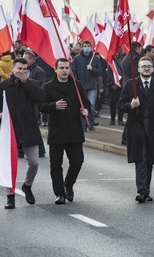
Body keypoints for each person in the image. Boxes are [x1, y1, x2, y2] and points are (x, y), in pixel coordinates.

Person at [0, 57, 46, 209]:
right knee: (10, 164)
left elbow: (40, 98)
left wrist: (27, 83)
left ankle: (27, 185)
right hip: (11, 130)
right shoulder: (2, 86)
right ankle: (10, 196)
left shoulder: (31, 83)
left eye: (24, 69)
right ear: (13, 69)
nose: (21, 71)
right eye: (19, 69)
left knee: (34, 162)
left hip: (28, 128)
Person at [39, 58, 90, 204]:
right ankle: (59, 193)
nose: (64, 71)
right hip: (57, 131)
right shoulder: (48, 86)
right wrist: (53, 105)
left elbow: (85, 102)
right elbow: (41, 105)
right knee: (56, 164)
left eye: (67, 68)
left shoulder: (76, 85)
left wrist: (85, 110)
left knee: (77, 161)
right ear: (55, 70)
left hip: (74, 130)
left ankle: (68, 184)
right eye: (61, 68)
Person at [118, 56, 154, 203]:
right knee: (140, 159)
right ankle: (141, 191)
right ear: (138, 69)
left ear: (153, 69)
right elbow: (121, 105)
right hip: (137, 129)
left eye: (149, 66)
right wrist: (131, 106)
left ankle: (146, 190)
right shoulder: (130, 85)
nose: (146, 68)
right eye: (143, 66)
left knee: (149, 161)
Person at [71, 40, 102, 131]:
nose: (86, 47)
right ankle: (83, 124)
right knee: (82, 106)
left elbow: (100, 72)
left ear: (91, 47)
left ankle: (90, 123)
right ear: (82, 47)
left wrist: (92, 69)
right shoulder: (77, 59)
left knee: (91, 105)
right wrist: (74, 81)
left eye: (88, 46)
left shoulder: (95, 59)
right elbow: (73, 71)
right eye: (85, 46)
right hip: (80, 86)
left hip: (91, 86)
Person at [23, 50, 47, 157]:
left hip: (34, 102)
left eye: (25, 59)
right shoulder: (23, 70)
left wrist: (28, 81)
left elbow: (40, 86)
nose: (23, 61)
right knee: (29, 126)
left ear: (31, 60)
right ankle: (35, 149)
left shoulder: (39, 71)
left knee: (32, 125)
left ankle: (39, 149)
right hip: (24, 100)